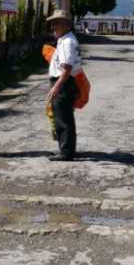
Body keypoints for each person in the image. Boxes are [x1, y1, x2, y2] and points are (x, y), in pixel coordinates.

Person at [46, 10, 82, 162]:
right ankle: (65, 149)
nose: (54, 26)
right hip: (63, 82)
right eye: (53, 23)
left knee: (63, 118)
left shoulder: (67, 42)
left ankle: (66, 152)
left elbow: (66, 68)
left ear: (67, 25)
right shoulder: (65, 40)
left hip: (63, 83)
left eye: (57, 23)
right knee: (63, 116)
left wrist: (56, 87)